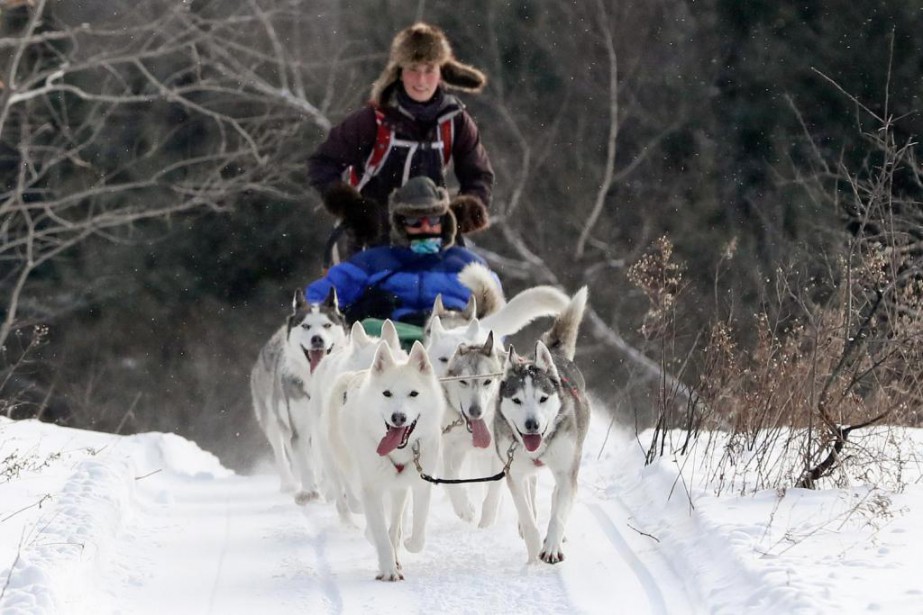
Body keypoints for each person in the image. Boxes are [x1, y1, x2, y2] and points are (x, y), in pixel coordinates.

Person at [308, 22, 494, 257]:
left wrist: (462, 213)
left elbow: (479, 175)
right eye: (413, 69)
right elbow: (323, 163)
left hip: (430, 241)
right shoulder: (372, 121)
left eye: (429, 69)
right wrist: (353, 208)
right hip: (372, 244)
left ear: (442, 72)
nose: (421, 80)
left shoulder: (455, 122)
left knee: (473, 284)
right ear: (399, 72)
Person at [305, 177, 497, 327]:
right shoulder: (371, 263)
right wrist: (353, 313)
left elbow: (498, 316)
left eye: (433, 220)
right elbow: (315, 302)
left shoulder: (469, 264)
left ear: (444, 222)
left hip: (455, 347)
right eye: (414, 222)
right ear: (400, 225)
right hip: (389, 348)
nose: (425, 228)